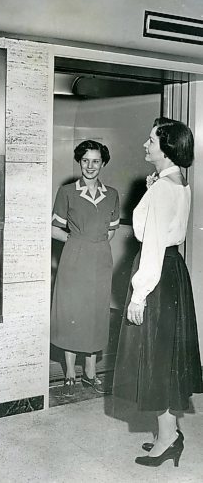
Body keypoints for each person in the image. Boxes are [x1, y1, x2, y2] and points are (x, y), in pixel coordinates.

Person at [113, 118, 203, 467]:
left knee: (154, 357)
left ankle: (168, 438)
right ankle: (171, 431)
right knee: (164, 357)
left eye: (151, 140)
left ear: (165, 148)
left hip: (156, 272)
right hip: (173, 272)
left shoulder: (162, 189)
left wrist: (139, 295)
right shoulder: (180, 183)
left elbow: (150, 242)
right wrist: (152, 191)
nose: (145, 145)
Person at [50, 140, 119, 396]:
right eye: (86, 160)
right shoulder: (67, 191)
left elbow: (111, 230)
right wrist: (76, 242)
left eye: (96, 161)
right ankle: (70, 371)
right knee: (71, 311)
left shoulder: (111, 194)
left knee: (95, 314)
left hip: (100, 259)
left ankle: (90, 372)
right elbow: (54, 228)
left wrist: (96, 246)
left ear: (103, 163)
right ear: (80, 162)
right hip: (74, 258)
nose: (90, 166)